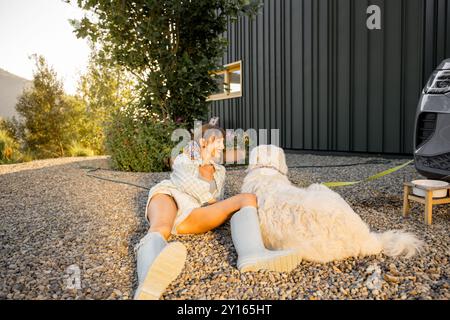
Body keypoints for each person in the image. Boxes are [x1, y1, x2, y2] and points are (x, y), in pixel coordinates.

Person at [134, 123, 299, 300]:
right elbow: (189, 186)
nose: (222, 147)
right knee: (161, 227)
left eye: (222, 142)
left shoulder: (220, 171)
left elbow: (213, 202)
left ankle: (253, 254)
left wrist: (224, 208)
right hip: (169, 196)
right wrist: (202, 160)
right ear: (204, 142)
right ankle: (148, 279)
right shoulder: (184, 159)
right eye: (218, 142)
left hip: (193, 215)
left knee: (247, 198)